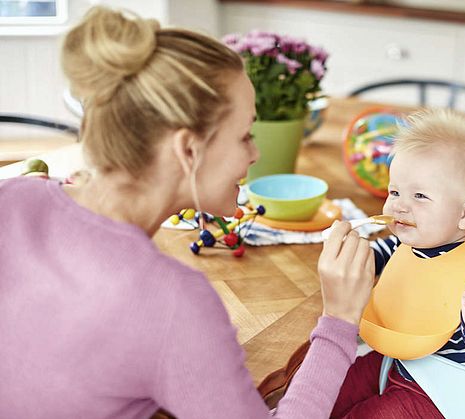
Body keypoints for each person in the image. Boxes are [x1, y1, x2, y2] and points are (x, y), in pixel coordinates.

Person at [0, 7, 374, 418]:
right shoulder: (173, 301)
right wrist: (339, 318)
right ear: (188, 148)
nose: (255, 153)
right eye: (244, 135)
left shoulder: (13, 197)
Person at [331, 110, 465, 418]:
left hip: (447, 393)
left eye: (419, 195)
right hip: (403, 362)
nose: (399, 204)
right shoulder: (407, 242)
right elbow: (377, 255)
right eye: (394, 191)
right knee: (332, 385)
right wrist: (354, 253)